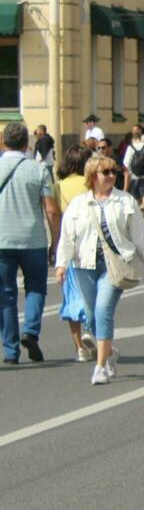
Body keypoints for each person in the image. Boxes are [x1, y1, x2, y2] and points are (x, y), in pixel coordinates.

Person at [54, 155, 144, 384]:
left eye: (115, 171)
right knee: (91, 316)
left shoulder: (125, 202)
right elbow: (67, 237)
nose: (113, 175)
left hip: (115, 267)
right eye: (107, 172)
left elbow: (140, 239)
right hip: (84, 265)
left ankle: (100, 366)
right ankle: (110, 352)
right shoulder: (78, 203)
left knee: (103, 310)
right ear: (93, 176)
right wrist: (61, 265)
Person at [0, 122, 60, 364]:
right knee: (36, 287)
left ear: (3, 142)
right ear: (28, 144)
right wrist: (55, 242)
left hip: (1, 240)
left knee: (5, 295)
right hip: (33, 240)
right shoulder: (38, 170)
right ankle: (31, 331)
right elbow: (52, 211)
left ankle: (10, 351)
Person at [53, 146, 97, 362]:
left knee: (71, 295)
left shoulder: (58, 186)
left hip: (68, 244)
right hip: (91, 242)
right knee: (94, 291)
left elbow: (54, 214)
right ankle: (92, 331)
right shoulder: (90, 184)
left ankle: (79, 347)